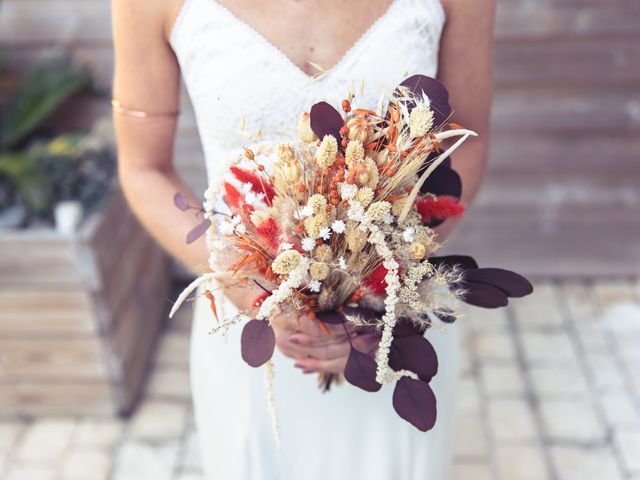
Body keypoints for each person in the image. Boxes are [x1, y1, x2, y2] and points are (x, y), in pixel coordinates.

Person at [112, 0, 494, 478]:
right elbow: (144, 168)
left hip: (394, 323)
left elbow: (466, 142)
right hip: (252, 335)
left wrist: (380, 278)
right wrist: (242, 279)